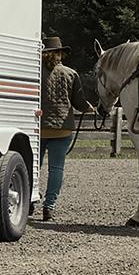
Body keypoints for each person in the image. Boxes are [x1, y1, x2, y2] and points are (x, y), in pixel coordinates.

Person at [39, 36, 94, 221]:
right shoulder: (71, 74)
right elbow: (79, 102)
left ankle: (29, 201)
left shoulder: (35, 72)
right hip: (62, 128)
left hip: (38, 128)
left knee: (33, 166)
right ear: (60, 53)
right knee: (56, 169)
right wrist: (91, 109)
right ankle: (49, 206)